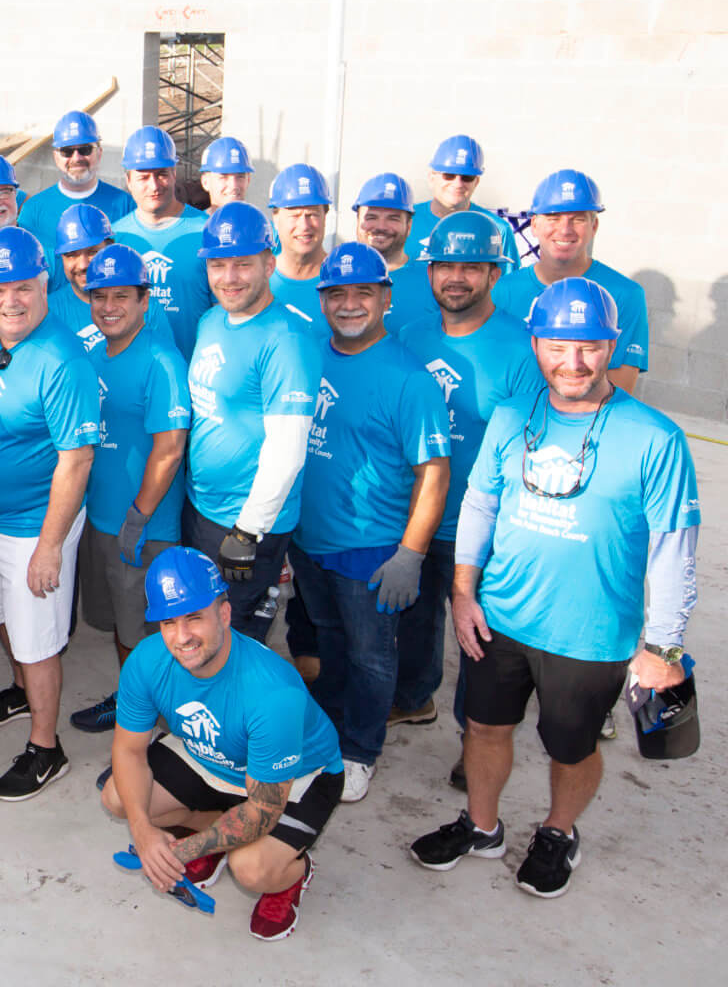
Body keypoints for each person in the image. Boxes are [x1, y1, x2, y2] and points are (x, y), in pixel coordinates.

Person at [410, 278, 700, 899]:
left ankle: (558, 832)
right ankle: (481, 826)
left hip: (590, 636)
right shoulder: (513, 417)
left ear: (612, 346)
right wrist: (464, 592)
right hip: (501, 618)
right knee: (483, 729)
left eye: (591, 346)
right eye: (559, 346)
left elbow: (673, 553)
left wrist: (664, 649)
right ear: (536, 344)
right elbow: (481, 506)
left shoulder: (655, 437)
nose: (574, 362)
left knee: (570, 747)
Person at [101, 547, 345, 942]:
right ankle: (214, 840)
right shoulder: (146, 661)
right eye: (168, 622)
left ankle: (293, 874)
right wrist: (143, 831)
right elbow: (128, 751)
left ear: (225, 614)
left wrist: (182, 850)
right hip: (211, 755)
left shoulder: (271, 693)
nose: (181, 638)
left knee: (250, 869)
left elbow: (264, 808)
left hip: (299, 776)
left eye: (194, 618)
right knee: (119, 796)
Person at [290, 243, 451, 804]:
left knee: (371, 655)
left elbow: (434, 472)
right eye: (338, 294)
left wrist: (411, 552)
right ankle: (330, 732)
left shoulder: (410, 379)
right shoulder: (312, 354)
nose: (350, 304)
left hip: (371, 547)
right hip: (310, 541)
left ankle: (360, 750)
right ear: (323, 301)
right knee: (332, 641)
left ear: (385, 298)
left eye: (364, 293)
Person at [393, 213, 540, 773]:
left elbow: (529, 447)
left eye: (471, 267)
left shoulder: (520, 351)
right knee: (415, 620)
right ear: (429, 271)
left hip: (485, 525)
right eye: (445, 265)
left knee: (479, 641)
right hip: (416, 513)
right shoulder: (411, 338)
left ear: (495, 273)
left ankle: (473, 741)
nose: (456, 277)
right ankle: (413, 700)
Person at [0, 227, 100, 802]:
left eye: (22, 287)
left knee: (39, 642)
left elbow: (76, 460)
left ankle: (47, 747)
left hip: (32, 528)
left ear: (45, 284)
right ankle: (20, 692)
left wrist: (49, 547)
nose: (10, 301)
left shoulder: (62, 360)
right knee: (0, 619)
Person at [66, 246, 192, 736]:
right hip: (101, 519)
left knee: (149, 637)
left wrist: (138, 517)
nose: (109, 306)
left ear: (145, 300)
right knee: (123, 629)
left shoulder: (161, 359)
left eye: (122, 296)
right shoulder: (98, 353)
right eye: (99, 297)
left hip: (144, 528)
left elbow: (170, 448)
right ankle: (133, 703)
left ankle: (156, 729)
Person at [183, 201, 321, 642]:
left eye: (243, 264)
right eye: (218, 264)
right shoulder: (211, 320)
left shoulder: (286, 340)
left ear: (269, 263)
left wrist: (247, 531)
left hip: (244, 523)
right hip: (203, 508)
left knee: (229, 638)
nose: (229, 277)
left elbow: (288, 449)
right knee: (201, 625)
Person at [492, 170, 649, 393]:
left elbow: (618, 391)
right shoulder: (502, 290)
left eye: (577, 219)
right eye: (553, 218)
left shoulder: (625, 294)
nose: (565, 230)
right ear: (534, 225)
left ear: (594, 227)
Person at [112, 125, 212, 357]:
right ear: (128, 180)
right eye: (143, 177)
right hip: (134, 374)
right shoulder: (117, 239)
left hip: (193, 373)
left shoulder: (206, 231)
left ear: (174, 174)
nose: (154, 186)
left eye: (161, 174)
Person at [18, 111, 133, 289]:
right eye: (67, 151)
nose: (77, 158)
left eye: (85, 149)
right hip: (54, 313)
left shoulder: (124, 204)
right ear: (56, 157)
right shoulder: (33, 211)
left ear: (99, 153)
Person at [405, 134, 519, 268]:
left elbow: (507, 285)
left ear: (476, 182)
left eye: (467, 177)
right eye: (449, 175)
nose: (458, 183)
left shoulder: (497, 229)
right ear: (431, 177)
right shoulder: (404, 221)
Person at [352, 173, 436, 330]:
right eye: (371, 217)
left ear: (409, 226)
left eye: (393, 218)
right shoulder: (335, 278)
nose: (381, 226)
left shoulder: (433, 282)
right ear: (358, 221)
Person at [45, 202, 116, 351]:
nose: (83, 264)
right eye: (72, 255)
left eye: (92, 252)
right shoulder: (45, 313)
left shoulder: (142, 306)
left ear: (111, 249)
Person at [267, 164, 331, 322]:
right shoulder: (259, 281)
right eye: (294, 215)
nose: (304, 226)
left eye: (312, 214)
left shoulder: (344, 280)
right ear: (275, 218)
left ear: (325, 216)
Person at [199, 136, 253, 210]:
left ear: (248, 180)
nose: (233, 185)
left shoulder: (261, 221)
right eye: (223, 177)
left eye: (240, 176)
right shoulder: (195, 221)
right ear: (205, 182)